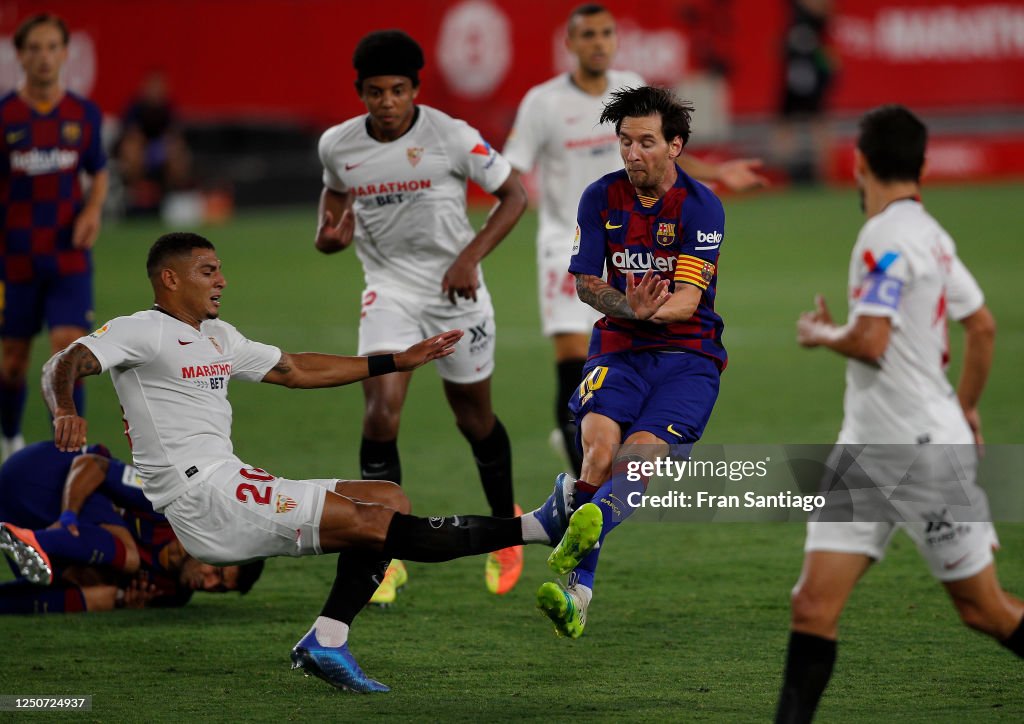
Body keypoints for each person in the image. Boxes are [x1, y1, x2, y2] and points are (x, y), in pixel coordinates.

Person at [37, 232, 570, 691]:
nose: (222, 280)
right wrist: (64, 408)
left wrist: (396, 360)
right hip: (200, 496)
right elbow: (63, 363)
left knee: (385, 498)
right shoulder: (141, 330)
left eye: (221, 269)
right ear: (170, 280)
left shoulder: (218, 337)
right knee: (375, 524)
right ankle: (532, 528)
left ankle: (327, 638)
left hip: (229, 477)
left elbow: (294, 369)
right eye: (208, 271)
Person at [774, 105, 1024, 722]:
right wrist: (965, 407)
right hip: (866, 448)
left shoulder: (882, 238)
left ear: (858, 164)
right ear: (924, 167)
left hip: (919, 453)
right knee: (812, 606)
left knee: (984, 611)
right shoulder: (932, 235)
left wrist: (821, 333)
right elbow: (982, 326)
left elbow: (871, 341)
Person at [503, 3, 764, 477]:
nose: (598, 42)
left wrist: (719, 171)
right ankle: (583, 463)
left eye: (606, 33)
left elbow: (663, 157)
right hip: (567, 240)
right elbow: (511, 172)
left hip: (634, 242)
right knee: (571, 359)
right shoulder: (543, 102)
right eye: (588, 35)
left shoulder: (630, 87)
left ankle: (592, 470)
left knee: (617, 346)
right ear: (570, 43)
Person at [314, 30, 529, 601]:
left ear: (416, 89)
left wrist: (469, 257)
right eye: (376, 92)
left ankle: (506, 531)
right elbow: (331, 212)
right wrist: (330, 237)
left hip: (457, 296)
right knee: (381, 414)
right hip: (389, 294)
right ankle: (381, 546)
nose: (387, 102)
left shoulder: (451, 135)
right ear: (359, 92)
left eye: (398, 90)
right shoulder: (337, 145)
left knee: (473, 419)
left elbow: (515, 196)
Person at [535, 86, 728, 639]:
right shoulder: (599, 197)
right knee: (596, 452)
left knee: (639, 455)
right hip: (618, 347)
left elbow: (689, 301)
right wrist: (627, 308)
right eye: (625, 141)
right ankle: (578, 596)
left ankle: (581, 555)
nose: (632, 153)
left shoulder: (701, 205)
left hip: (688, 356)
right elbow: (588, 285)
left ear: (676, 145)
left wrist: (651, 311)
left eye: (646, 142)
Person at [0, 13, 109, 459]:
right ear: (20, 55)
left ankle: (70, 452)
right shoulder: (5, 115)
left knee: (67, 352)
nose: (43, 57)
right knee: (14, 364)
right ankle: (10, 440)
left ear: (65, 54)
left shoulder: (83, 114)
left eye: (51, 48)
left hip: (69, 257)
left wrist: (93, 210)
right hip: (16, 259)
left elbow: (98, 170)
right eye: (34, 48)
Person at [0, 440, 263, 613]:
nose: (208, 584)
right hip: (41, 474)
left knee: (103, 594)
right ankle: (36, 542)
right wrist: (69, 517)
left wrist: (124, 602)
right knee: (129, 558)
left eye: (219, 588)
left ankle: (22, 558)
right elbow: (92, 464)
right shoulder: (175, 506)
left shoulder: (172, 594)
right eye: (216, 573)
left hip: (24, 517)